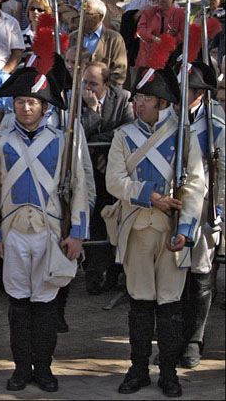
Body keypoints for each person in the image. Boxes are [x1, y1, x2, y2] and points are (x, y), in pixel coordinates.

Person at [0, 60, 89, 393]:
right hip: (13, 234)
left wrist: (77, 234)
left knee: (45, 306)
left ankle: (43, 368)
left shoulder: (62, 141)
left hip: (50, 234)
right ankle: (20, 368)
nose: (25, 107)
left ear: (43, 106)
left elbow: (79, 189)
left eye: (32, 102)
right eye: (20, 102)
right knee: (18, 305)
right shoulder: (1, 142)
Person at [106, 58, 207, 397]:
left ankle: (168, 372)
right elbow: (114, 182)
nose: (137, 104)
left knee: (170, 305)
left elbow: (195, 185)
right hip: (136, 228)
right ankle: (137, 370)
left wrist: (187, 230)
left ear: (162, 103)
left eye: (144, 99)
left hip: (172, 231)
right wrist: (151, 196)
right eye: (136, 98)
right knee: (139, 304)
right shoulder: (124, 135)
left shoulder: (183, 134)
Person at [174, 61, 224, 369]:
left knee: (201, 276)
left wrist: (218, 211)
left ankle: (194, 339)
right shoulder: (168, 121)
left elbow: (222, 174)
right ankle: (172, 339)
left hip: (205, 206)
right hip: (174, 206)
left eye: (189, 89)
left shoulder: (216, 124)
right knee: (173, 276)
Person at [78, 62, 134, 295]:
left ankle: (115, 272)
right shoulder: (76, 100)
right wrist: (91, 110)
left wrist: (102, 148)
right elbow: (78, 130)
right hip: (89, 172)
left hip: (114, 169)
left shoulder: (122, 98)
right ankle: (94, 273)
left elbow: (128, 129)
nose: (87, 88)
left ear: (107, 84)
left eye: (93, 83)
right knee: (95, 222)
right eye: (85, 82)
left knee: (115, 220)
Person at [67, 0, 128, 87]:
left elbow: (119, 72)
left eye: (87, 14)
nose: (81, 17)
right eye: (80, 13)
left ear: (100, 17)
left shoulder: (114, 39)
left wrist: (102, 91)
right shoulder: (73, 37)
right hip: (75, 91)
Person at [135, 0, 185, 69]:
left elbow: (183, 36)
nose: (159, 1)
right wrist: (153, 37)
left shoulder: (181, 14)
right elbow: (140, 30)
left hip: (171, 61)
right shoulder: (149, 13)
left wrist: (168, 43)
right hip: (147, 60)